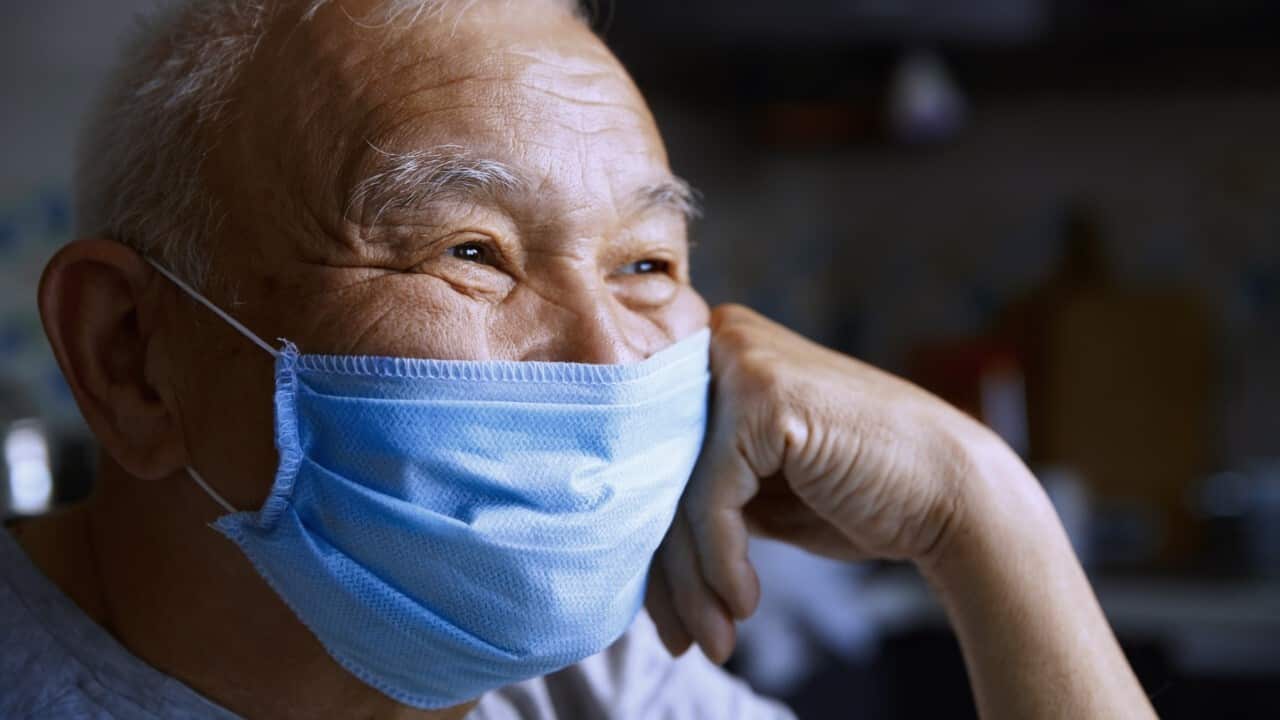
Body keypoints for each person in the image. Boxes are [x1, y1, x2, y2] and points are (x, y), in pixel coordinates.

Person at [2, 1, 1157, 718]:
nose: (605, 358)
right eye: (471, 253)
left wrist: (976, 507)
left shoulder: (585, 689)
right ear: (128, 356)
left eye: (647, 265)